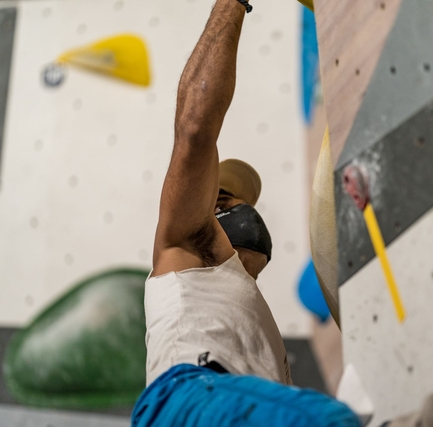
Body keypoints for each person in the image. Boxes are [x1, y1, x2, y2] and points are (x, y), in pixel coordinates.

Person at [130, 0, 360, 425]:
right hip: (186, 399)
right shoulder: (187, 248)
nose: (239, 210)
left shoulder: (244, 307)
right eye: (223, 201)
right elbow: (195, 129)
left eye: (241, 203)